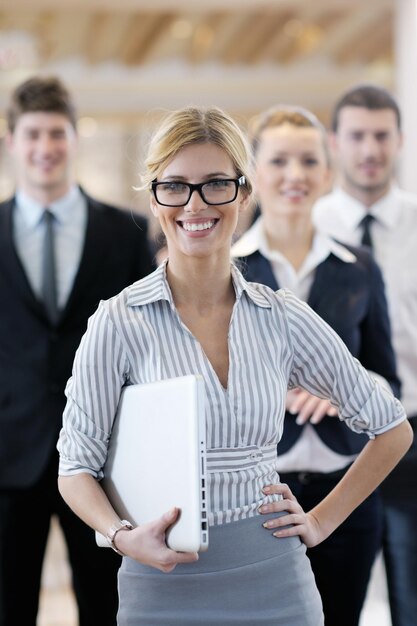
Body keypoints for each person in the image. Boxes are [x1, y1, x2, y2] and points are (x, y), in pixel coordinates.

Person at [57, 105, 412, 626]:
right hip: (161, 587)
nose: (195, 204)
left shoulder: (280, 315)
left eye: (216, 184)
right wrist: (121, 536)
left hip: (277, 584)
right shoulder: (118, 322)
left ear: (244, 194)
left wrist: (320, 521)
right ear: (154, 197)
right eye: (174, 185)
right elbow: (74, 468)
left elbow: (392, 428)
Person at [231, 104, 400, 626]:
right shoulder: (227, 267)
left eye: (309, 162)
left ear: (328, 174)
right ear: (255, 174)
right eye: (279, 161)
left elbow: (387, 378)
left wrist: (344, 390)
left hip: (345, 488)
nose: (295, 175)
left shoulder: (358, 268)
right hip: (257, 494)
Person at [0, 75, 154, 626]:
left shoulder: (125, 231)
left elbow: (147, 344)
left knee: (105, 604)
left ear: (74, 137)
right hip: (8, 453)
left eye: (57, 134)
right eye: (34, 134)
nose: (46, 148)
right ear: (12, 139)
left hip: (101, 454)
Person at [314, 84, 417, 626]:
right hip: (331, 442)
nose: (370, 149)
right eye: (357, 135)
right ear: (336, 142)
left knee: (411, 592)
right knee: (334, 598)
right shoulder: (306, 227)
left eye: (381, 136)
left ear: (399, 141)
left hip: (412, 430)